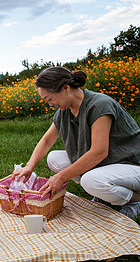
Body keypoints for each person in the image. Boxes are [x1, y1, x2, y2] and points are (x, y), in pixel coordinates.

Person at [12, 66, 140, 218]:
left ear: (66, 88)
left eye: (50, 99)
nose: (50, 104)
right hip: (109, 163)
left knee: (90, 181)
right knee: (54, 159)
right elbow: (47, 140)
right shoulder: (64, 112)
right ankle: (104, 192)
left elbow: (99, 152)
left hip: (131, 164)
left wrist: (60, 178)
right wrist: (29, 166)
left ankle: (135, 201)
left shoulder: (99, 105)